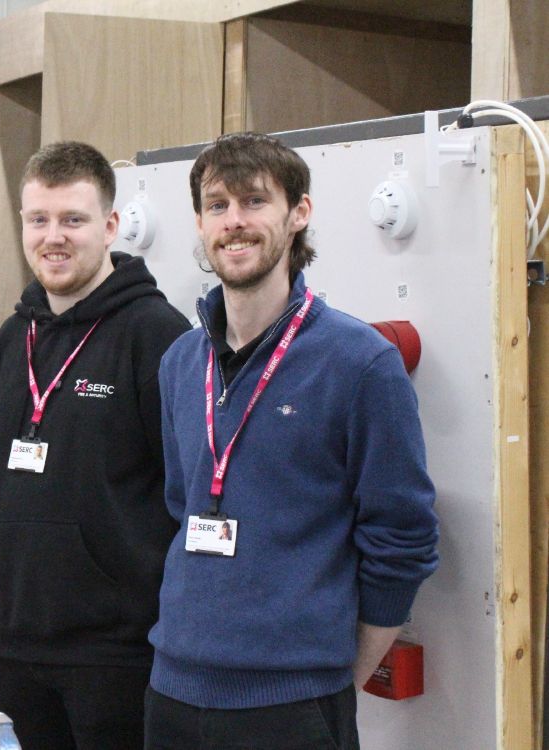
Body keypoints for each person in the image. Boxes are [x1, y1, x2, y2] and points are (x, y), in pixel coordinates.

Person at [145, 132, 439, 749]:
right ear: (199, 223)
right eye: (217, 205)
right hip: (172, 690)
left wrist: (338, 673)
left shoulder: (360, 364)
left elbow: (403, 535)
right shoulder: (179, 363)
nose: (235, 222)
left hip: (292, 703)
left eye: (254, 201)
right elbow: (182, 505)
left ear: (299, 213)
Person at [0, 141, 192, 749]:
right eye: (38, 219)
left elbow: (188, 491)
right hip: (17, 643)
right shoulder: (13, 335)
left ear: (110, 225)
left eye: (72, 219)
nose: (54, 237)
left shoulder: (157, 335)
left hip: (116, 652)